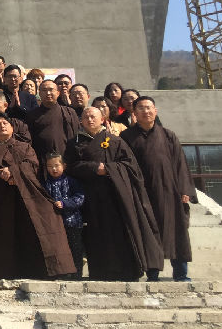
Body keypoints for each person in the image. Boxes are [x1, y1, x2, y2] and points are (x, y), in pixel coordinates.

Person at [64, 107, 163, 281]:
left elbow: (130, 166)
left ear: (102, 119)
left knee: (119, 233)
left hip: (115, 195)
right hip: (89, 197)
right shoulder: (74, 143)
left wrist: (109, 169)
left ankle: (126, 271)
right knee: (95, 234)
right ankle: (100, 272)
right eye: (85, 117)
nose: (89, 119)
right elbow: (70, 167)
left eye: (93, 116)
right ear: (81, 121)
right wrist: (94, 168)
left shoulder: (115, 141)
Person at [0, 116, 76, 279]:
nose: (1, 126)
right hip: (1, 200)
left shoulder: (24, 147)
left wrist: (14, 172)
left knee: (41, 224)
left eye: (5, 123)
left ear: (12, 128)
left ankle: (43, 271)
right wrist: (2, 174)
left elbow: (33, 165)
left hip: (26, 197)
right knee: (3, 237)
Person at [121, 96, 197, 282]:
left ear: (155, 111)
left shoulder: (168, 135)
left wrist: (185, 190)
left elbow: (180, 164)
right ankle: (152, 274)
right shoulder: (126, 137)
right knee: (148, 232)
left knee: (176, 232)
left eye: (149, 108)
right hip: (142, 194)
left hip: (169, 193)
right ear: (135, 113)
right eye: (141, 108)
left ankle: (180, 273)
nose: (145, 111)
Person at [43, 152, 85, 279]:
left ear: (64, 166)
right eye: (50, 166)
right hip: (55, 224)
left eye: (56, 165)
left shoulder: (71, 181)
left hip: (72, 221)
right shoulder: (45, 184)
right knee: (59, 249)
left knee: (75, 248)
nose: (54, 169)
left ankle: (76, 273)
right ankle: (60, 272)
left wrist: (65, 204)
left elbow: (80, 197)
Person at [27, 80, 79, 172]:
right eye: (44, 90)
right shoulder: (32, 115)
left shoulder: (69, 112)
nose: (48, 93)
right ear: (39, 93)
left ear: (58, 93)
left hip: (67, 162)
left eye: (51, 90)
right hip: (43, 164)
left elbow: (76, 137)